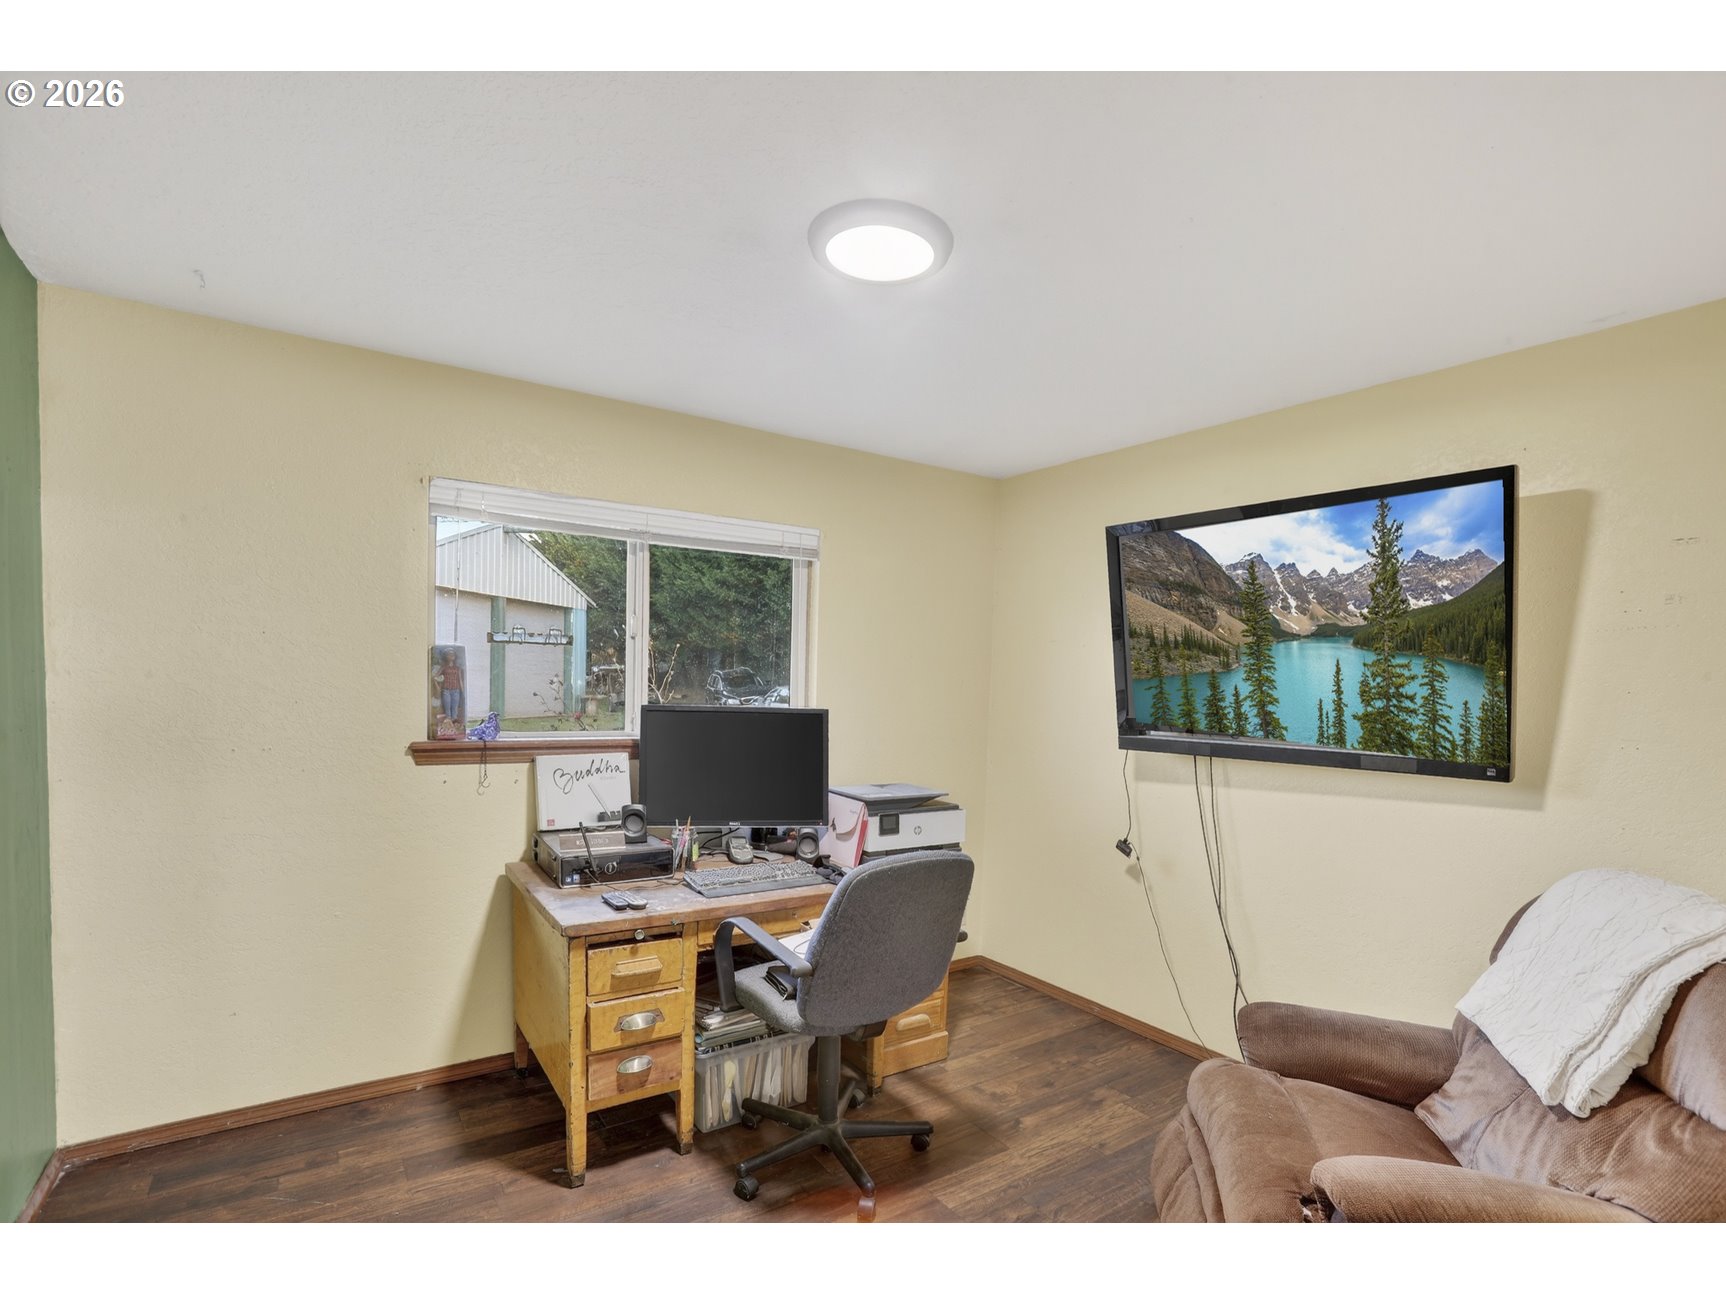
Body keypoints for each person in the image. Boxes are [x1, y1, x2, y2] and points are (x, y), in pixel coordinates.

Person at [434, 648, 465, 724]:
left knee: (454, 707)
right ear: (446, 656)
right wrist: (438, 684)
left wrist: (463, 691)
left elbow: (460, 679)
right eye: (449, 654)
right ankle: (448, 720)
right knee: (447, 707)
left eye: (452, 654)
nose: (451, 656)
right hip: (446, 690)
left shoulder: (457, 668)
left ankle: (454, 722)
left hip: (456, 690)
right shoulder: (444, 667)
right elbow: (435, 677)